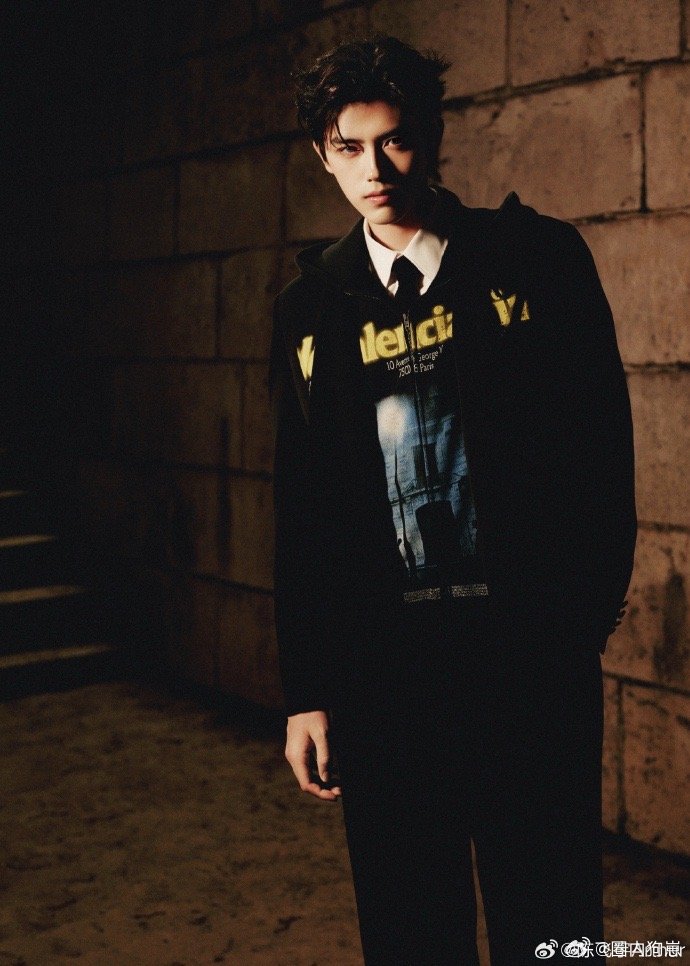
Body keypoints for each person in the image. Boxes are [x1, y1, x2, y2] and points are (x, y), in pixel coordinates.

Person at [269, 35, 636, 966]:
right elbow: (304, 504)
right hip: (385, 679)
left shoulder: (536, 259)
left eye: (393, 141)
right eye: (349, 149)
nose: (374, 171)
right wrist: (308, 690)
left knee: (551, 924)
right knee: (410, 927)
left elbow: (599, 447)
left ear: (430, 136)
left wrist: (573, 626)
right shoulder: (311, 308)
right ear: (322, 153)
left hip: (524, 663)